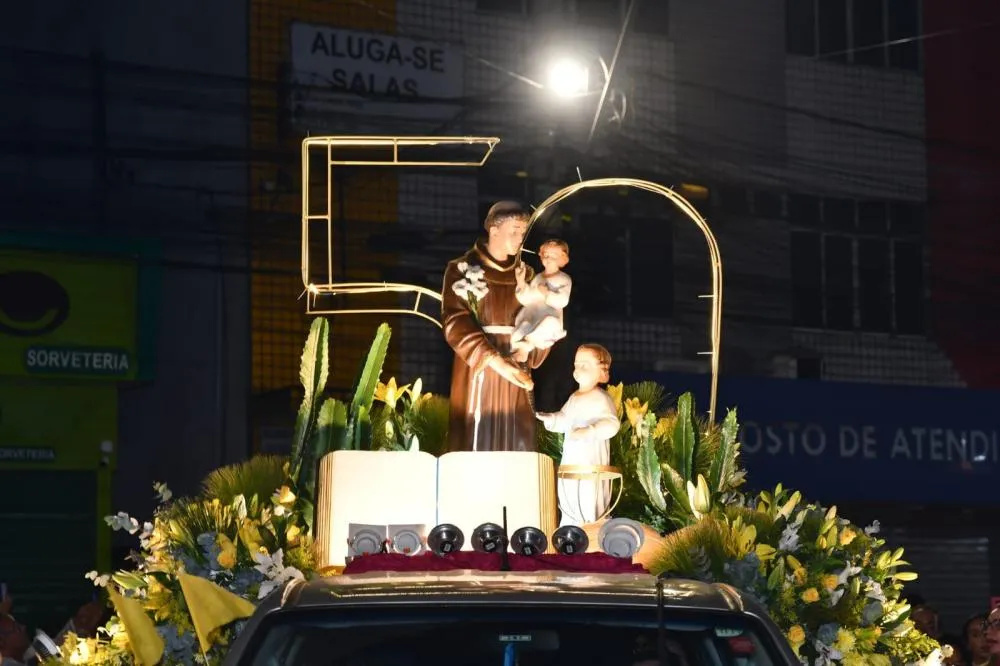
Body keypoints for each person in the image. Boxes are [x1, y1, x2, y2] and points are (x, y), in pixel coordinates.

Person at [442, 201, 551, 452]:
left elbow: (543, 319)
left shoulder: (529, 276)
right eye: (515, 231)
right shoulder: (462, 270)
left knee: (516, 434)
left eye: (523, 233)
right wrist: (494, 360)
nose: (520, 239)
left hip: (517, 361)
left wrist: (530, 347)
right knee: (477, 435)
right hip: (479, 367)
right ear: (494, 230)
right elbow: (454, 320)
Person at [537, 343, 620, 526]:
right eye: (576, 365)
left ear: (601, 372)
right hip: (571, 462)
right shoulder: (574, 398)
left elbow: (612, 425)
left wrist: (590, 431)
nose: (578, 370)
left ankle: (589, 529)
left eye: (585, 366)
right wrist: (550, 419)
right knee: (569, 496)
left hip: (591, 463)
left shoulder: (601, 398)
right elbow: (565, 419)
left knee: (588, 497)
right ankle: (569, 528)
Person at [511, 239, 571, 363]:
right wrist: (521, 281)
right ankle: (520, 351)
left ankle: (525, 349)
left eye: (553, 256)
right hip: (532, 314)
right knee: (521, 330)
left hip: (549, 317)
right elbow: (528, 299)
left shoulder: (564, 279)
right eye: (546, 255)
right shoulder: (538, 277)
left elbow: (563, 300)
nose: (549, 259)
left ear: (562, 258)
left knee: (542, 328)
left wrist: (547, 293)